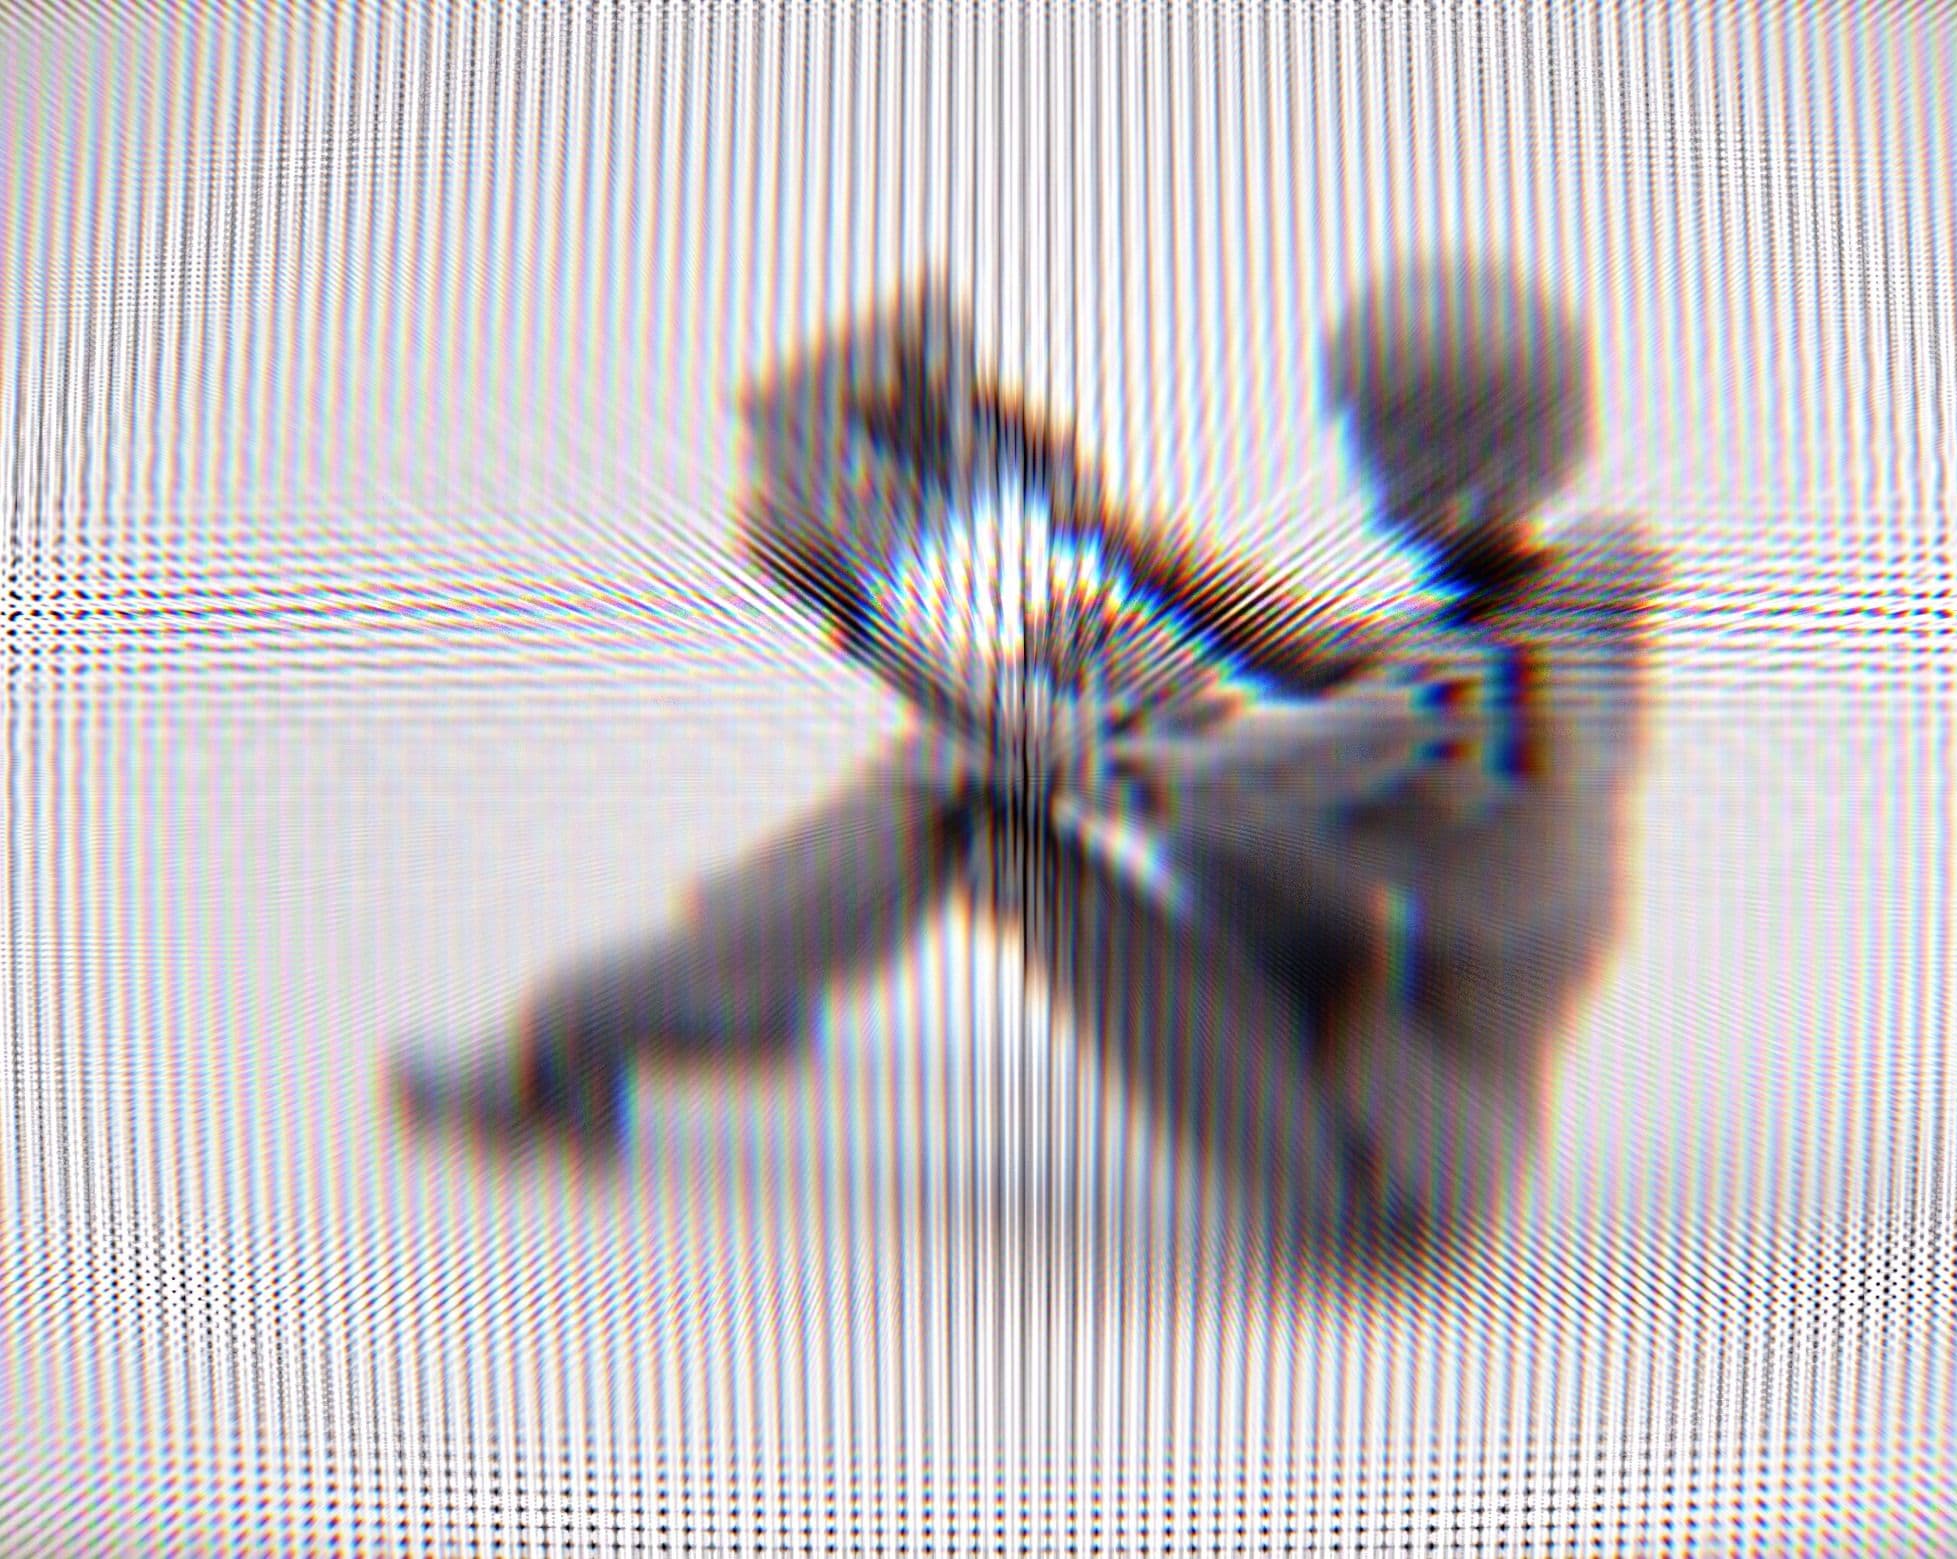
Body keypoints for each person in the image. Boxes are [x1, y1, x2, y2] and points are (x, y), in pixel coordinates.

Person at [386, 257, 1665, 1273]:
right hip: (1375, 995)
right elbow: (1321, 655)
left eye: (1362, 422)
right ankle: (750, 963)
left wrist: (866, 611)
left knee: (973, 809)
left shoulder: (1475, 703)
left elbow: (1169, 780)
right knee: (1042, 710)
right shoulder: (1550, 616)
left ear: (1417, 451)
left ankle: (572, 1046)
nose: (1342, 437)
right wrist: (1096, 523)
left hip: (1373, 1146)